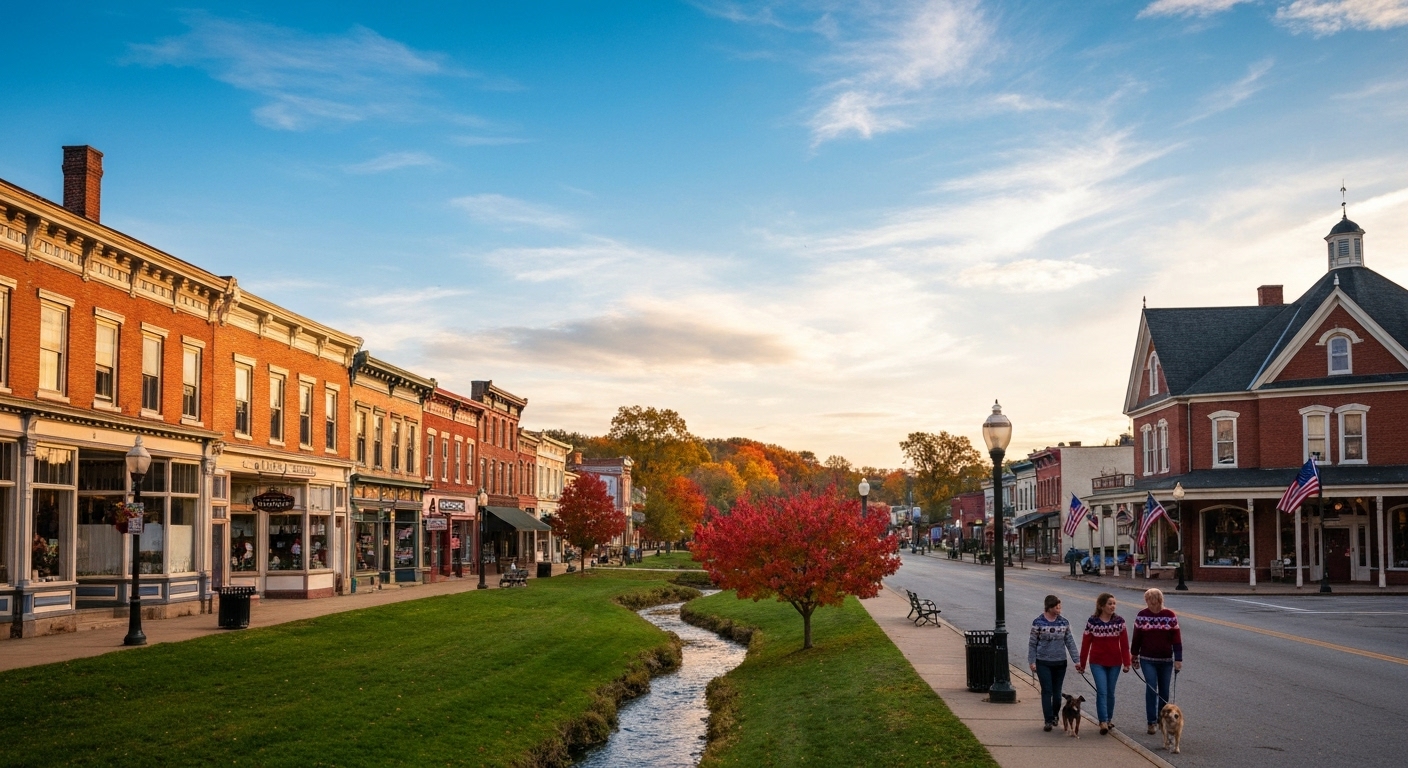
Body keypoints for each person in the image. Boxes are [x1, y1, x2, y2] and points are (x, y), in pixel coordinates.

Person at [1076, 592, 1131, 735]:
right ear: (1101, 606)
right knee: (1102, 691)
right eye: (1109, 604)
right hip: (1097, 662)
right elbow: (1085, 644)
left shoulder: (1119, 621)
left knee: (1110, 692)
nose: (1112, 606)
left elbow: (1124, 644)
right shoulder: (1093, 622)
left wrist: (1127, 662)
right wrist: (1082, 664)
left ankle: (1109, 718)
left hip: (1115, 662)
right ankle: (1103, 721)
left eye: (1114, 604)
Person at [1131, 587, 1182, 735]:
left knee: (1164, 692)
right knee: (1151, 688)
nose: (1152, 604)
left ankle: (1162, 719)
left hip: (1166, 660)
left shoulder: (1170, 616)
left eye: (1154, 601)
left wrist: (1178, 659)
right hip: (1147, 659)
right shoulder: (1142, 615)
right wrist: (1134, 655)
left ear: (1160, 600)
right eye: (1149, 601)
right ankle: (1151, 722)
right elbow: (1136, 638)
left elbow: (1176, 639)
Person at [1029, 594, 1080, 732]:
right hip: (1043, 662)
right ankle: (1048, 720)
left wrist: (1077, 660)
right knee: (1047, 690)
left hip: (1060, 662)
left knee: (1057, 693)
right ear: (1049, 607)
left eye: (1060, 606)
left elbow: (1070, 642)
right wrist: (1032, 661)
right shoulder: (1038, 622)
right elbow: (1032, 644)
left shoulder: (1063, 622)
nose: (1059, 609)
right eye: (1057, 607)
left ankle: (1055, 715)